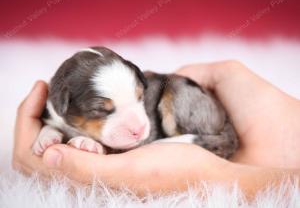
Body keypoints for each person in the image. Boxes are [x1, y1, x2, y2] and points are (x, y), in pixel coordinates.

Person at [12, 61, 300, 199]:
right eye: (104, 109)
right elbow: (53, 128)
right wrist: (47, 136)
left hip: (199, 114)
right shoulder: (60, 108)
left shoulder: (157, 96)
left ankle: (208, 141)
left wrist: (216, 174)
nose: (139, 125)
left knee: (176, 91)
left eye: (139, 97)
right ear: (62, 103)